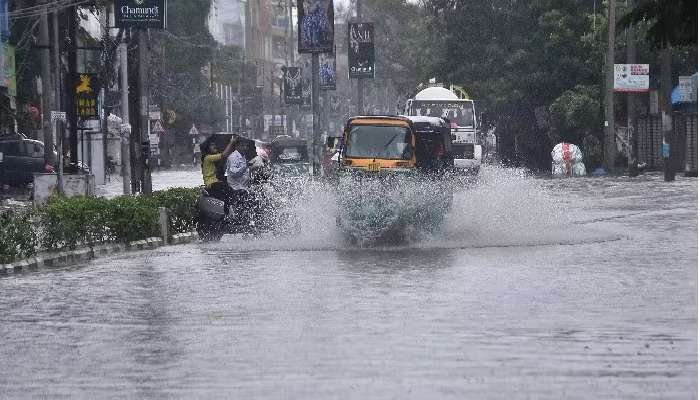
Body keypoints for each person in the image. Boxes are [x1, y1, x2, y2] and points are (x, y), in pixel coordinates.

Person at [201, 135, 237, 207]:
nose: (214, 146)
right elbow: (224, 155)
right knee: (229, 192)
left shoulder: (213, 159)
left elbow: (225, 155)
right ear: (207, 148)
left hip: (216, 183)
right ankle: (228, 211)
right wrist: (231, 143)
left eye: (214, 145)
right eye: (211, 145)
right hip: (212, 184)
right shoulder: (208, 158)